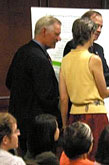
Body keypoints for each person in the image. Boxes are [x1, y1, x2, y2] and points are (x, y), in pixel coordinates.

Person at [59, 18, 109, 160]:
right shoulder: (93, 59)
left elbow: (63, 98)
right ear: (91, 34)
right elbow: (103, 92)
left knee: (75, 157)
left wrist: (64, 124)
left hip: (74, 115)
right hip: (95, 114)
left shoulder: (65, 60)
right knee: (97, 157)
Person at [5, 15, 62, 153]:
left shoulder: (22, 52)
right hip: (39, 130)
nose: (59, 38)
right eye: (56, 34)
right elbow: (47, 97)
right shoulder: (39, 59)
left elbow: (8, 82)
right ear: (43, 31)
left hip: (20, 126)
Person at [63, 10, 109, 86]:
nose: (99, 30)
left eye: (101, 27)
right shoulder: (73, 46)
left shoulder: (99, 49)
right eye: (96, 26)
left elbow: (104, 74)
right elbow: (86, 77)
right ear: (85, 25)